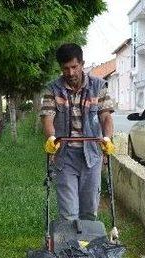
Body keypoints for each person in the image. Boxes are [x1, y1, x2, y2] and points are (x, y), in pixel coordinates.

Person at [40, 43, 116, 221]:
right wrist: (51, 138)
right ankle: (70, 247)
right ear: (61, 68)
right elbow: (48, 118)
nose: (71, 73)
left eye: (74, 67)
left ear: (82, 64)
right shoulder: (53, 89)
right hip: (65, 156)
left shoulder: (98, 86)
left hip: (92, 155)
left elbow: (106, 117)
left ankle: (87, 247)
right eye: (66, 68)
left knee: (89, 211)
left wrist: (107, 139)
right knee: (68, 213)